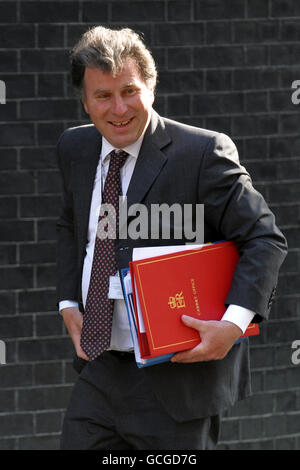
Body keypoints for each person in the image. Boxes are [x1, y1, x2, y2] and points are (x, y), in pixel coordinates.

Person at [56, 26, 287, 450]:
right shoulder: (74, 148)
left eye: (129, 90)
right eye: (103, 95)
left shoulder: (202, 153)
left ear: (151, 87)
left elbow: (264, 238)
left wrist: (232, 326)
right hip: (99, 369)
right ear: (85, 101)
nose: (119, 108)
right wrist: (69, 301)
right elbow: (71, 226)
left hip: (177, 380)